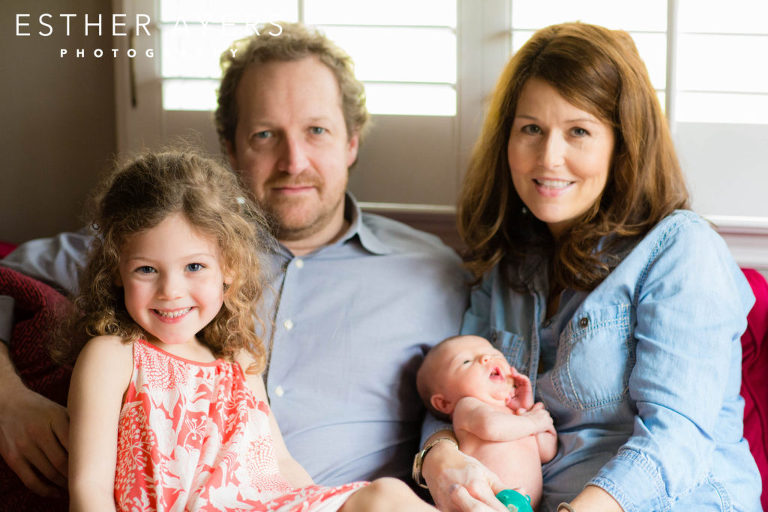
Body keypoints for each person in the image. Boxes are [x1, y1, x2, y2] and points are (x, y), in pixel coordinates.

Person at [0, 22, 468, 500]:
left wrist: (441, 448)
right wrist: (6, 401)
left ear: (352, 140)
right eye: (266, 134)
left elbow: (478, 392)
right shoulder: (165, 236)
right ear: (230, 146)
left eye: (317, 131)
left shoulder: (436, 274)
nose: (293, 161)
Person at [418, 22, 762, 512]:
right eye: (531, 129)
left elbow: (677, 438)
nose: (548, 158)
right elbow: (447, 399)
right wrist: (439, 460)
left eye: (578, 131)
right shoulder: (507, 272)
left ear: (623, 145)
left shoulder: (681, 248)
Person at [63, 150, 437, 511]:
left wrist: (318, 500)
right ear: (116, 270)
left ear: (229, 266)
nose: (171, 291)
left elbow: (281, 465)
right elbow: (89, 485)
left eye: (194, 267)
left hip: (265, 504)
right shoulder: (114, 355)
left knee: (386, 495)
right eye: (147, 270)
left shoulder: (236, 359)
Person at [416, 335, 557, 509]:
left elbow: (547, 452)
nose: (485, 358)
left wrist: (529, 413)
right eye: (466, 362)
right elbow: (491, 427)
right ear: (444, 403)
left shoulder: (517, 416)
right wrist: (534, 422)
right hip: (475, 503)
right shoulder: (467, 407)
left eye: (493, 352)